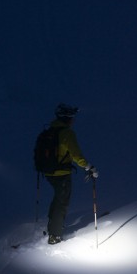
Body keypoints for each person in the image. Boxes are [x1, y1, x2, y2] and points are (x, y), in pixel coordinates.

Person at [45, 103, 98, 245]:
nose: (74, 120)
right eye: (72, 117)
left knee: (58, 198)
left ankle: (52, 227)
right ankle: (54, 235)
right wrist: (89, 167)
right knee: (62, 202)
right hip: (61, 172)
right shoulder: (67, 133)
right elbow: (76, 155)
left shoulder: (50, 130)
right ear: (67, 118)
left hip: (48, 172)